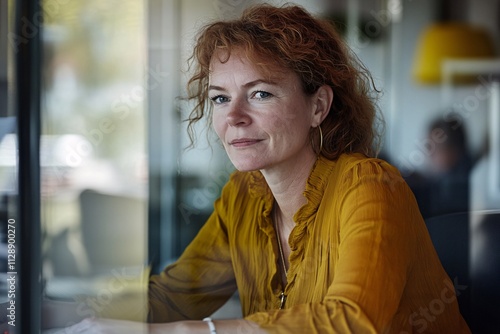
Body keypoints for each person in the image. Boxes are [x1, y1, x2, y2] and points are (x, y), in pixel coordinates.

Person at [57, 4, 471, 333]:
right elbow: (171, 300)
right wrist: (42, 313)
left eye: (259, 94)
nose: (233, 116)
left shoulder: (371, 187)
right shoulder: (243, 195)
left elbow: (353, 322)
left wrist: (189, 332)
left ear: (318, 106)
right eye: (220, 98)